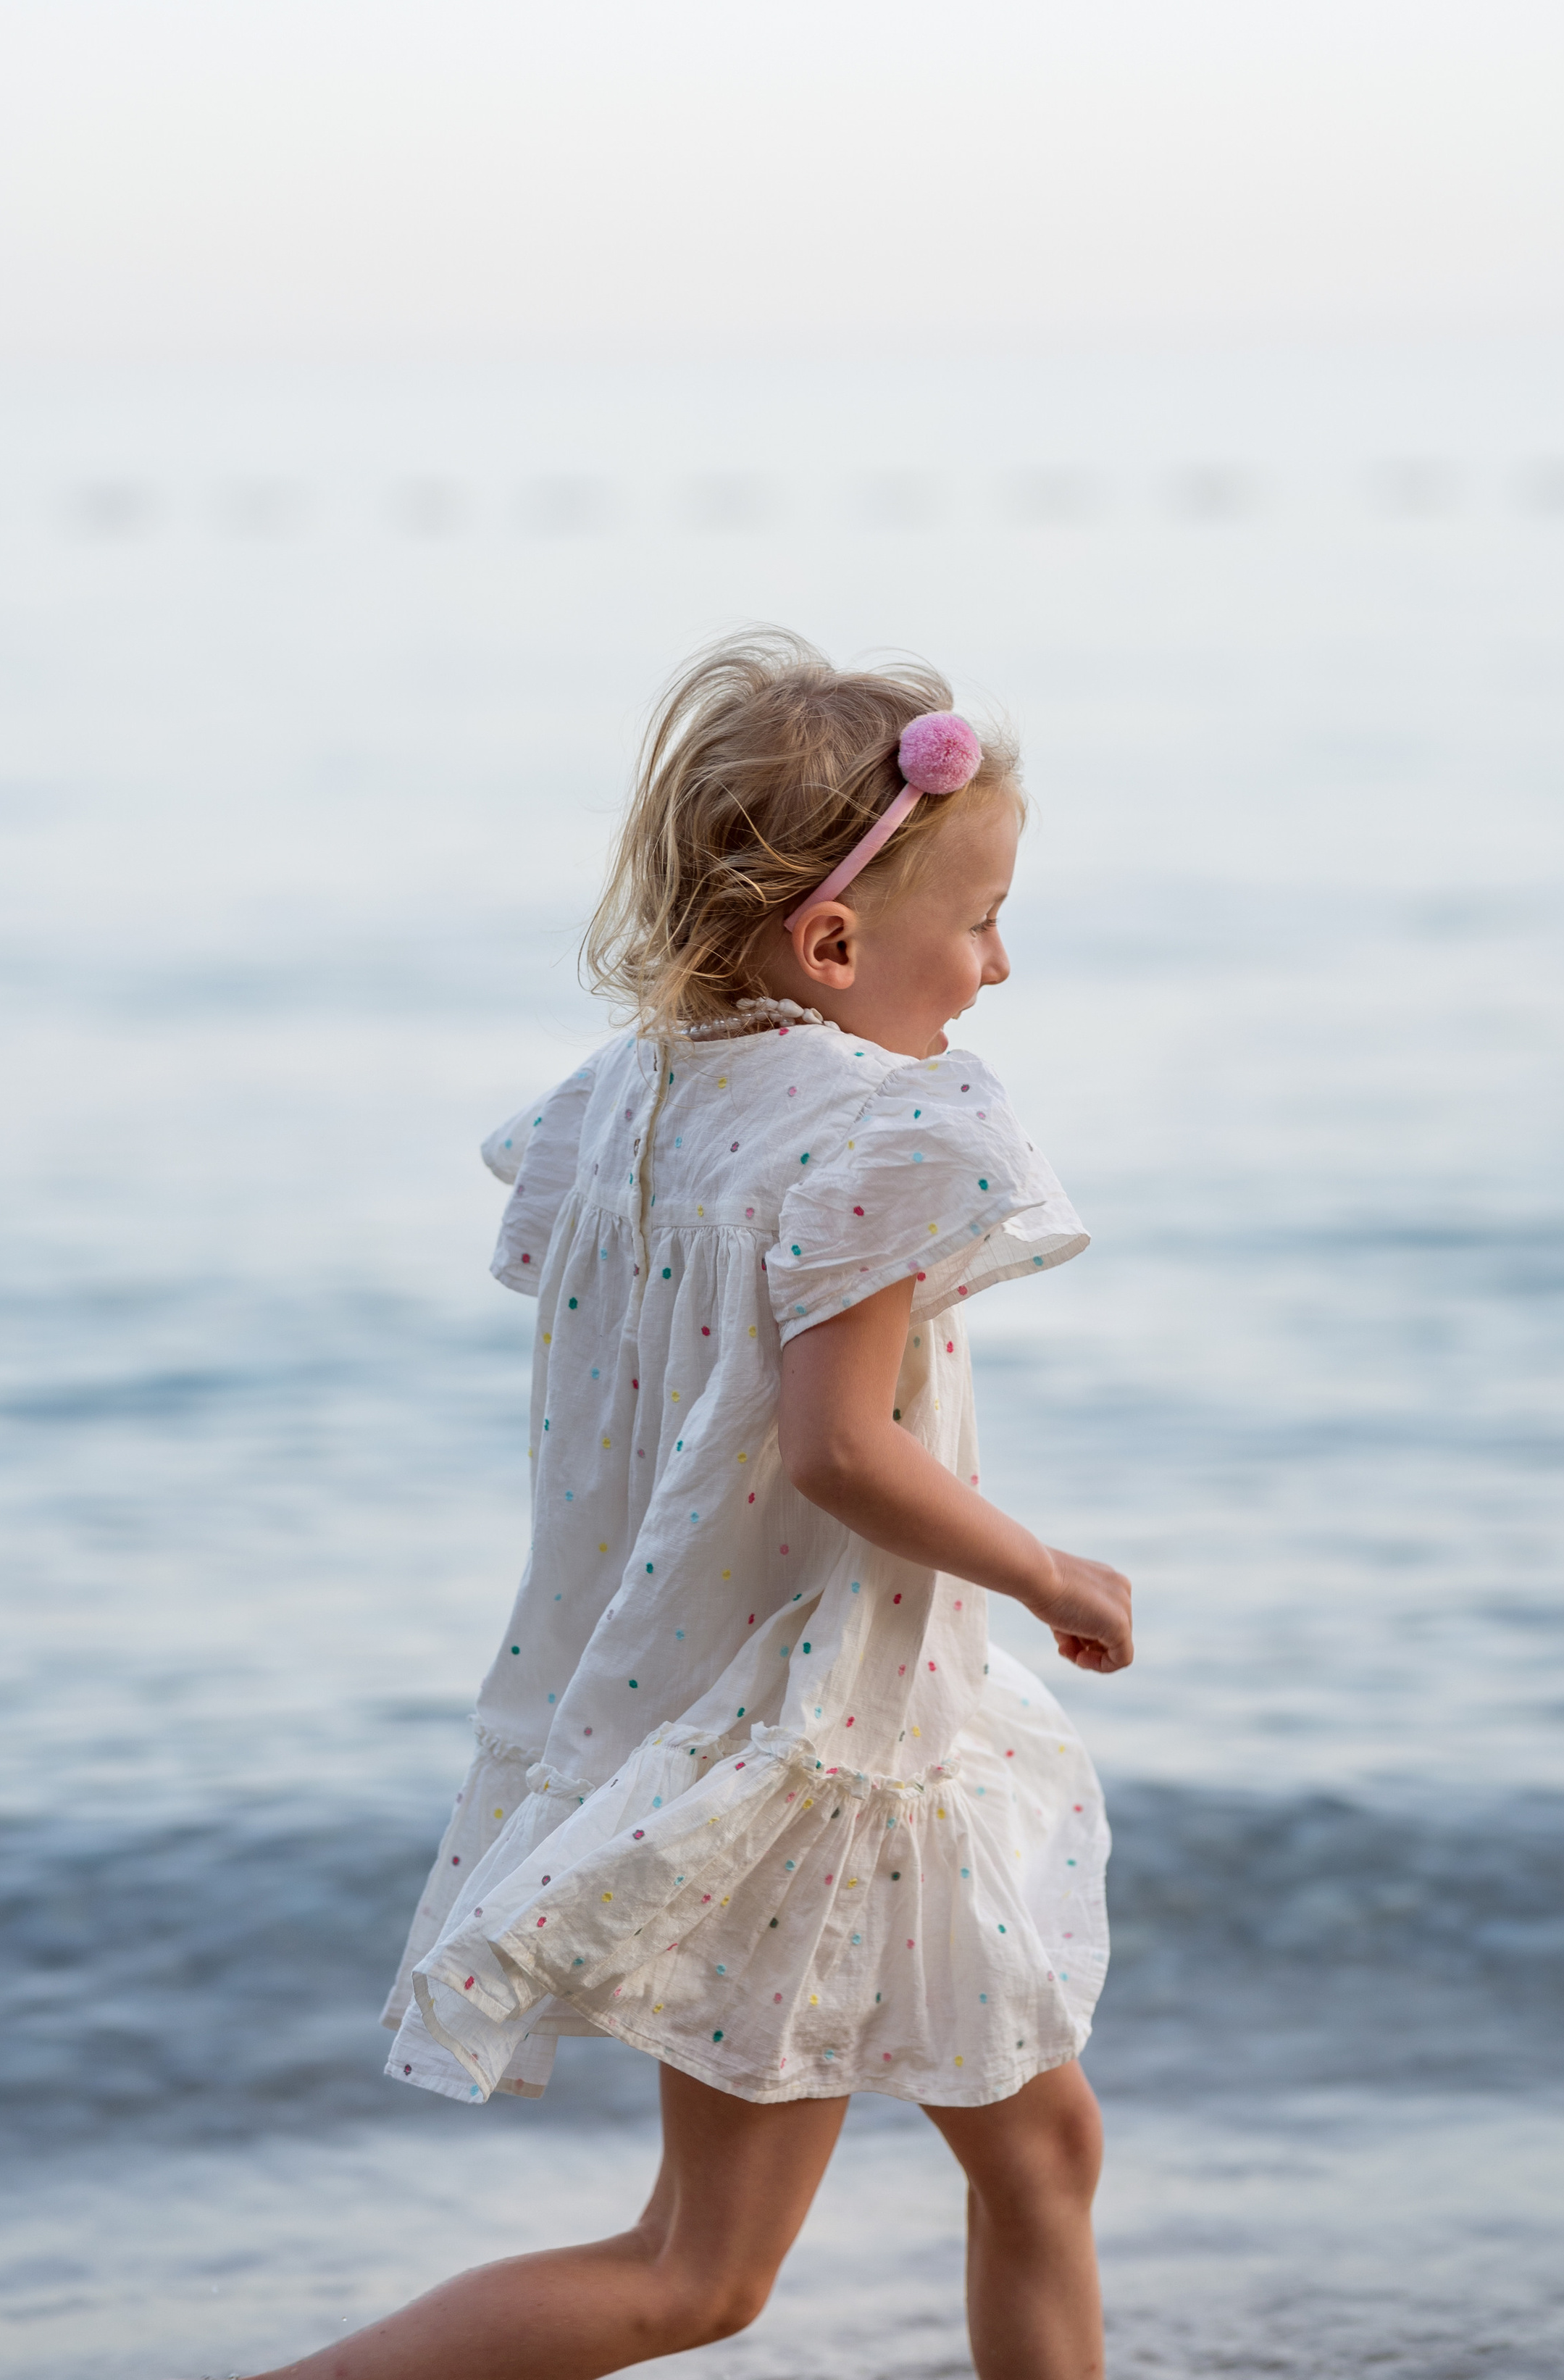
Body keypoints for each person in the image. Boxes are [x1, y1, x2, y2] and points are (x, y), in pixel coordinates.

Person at [252, 630, 1133, 2380]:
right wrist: (1050, 1572)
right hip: (809, 1740)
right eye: (977, 921)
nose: (997, 964)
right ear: (832, 941)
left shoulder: (629, 1105)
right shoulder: (884, 1134)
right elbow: (834, 1453)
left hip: (743, 1718)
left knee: (1033, 2150)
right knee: (697, 2273)